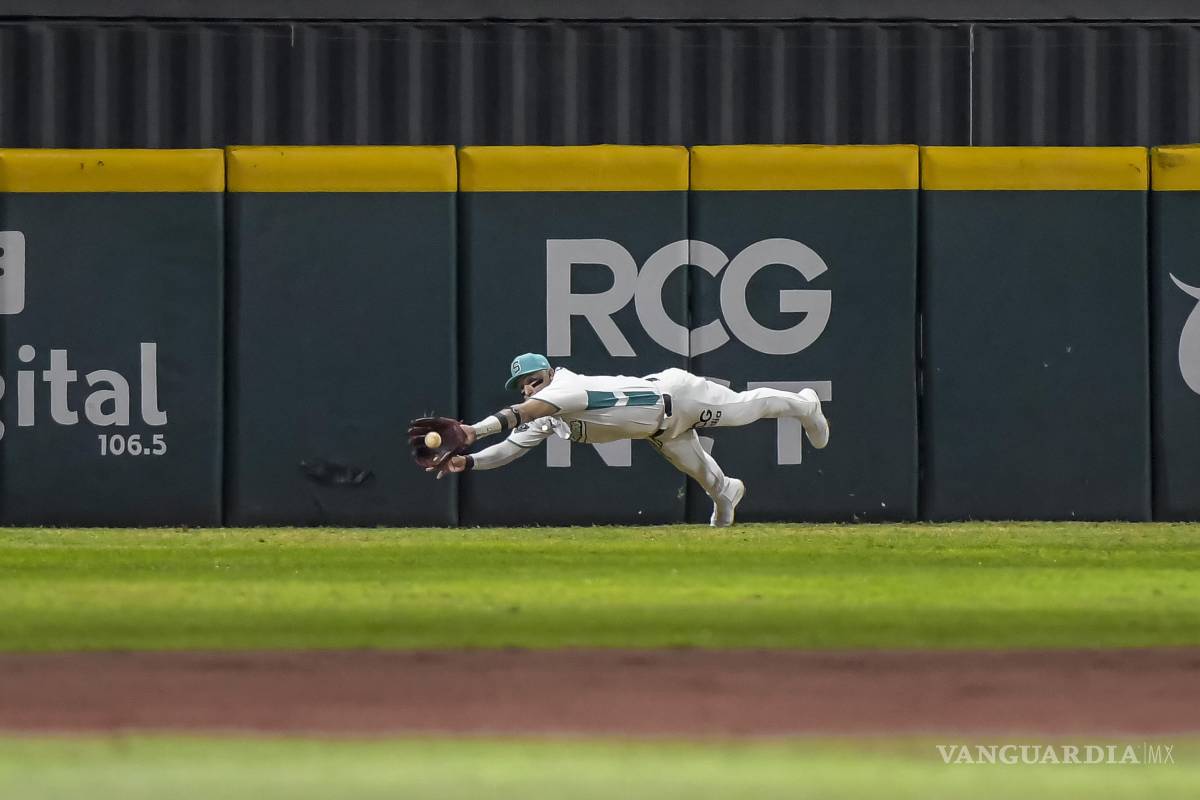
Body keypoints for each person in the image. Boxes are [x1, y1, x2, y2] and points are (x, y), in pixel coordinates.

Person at [433, 353, 829, 527]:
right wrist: (468, 461)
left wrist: (474, 431)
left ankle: (805, 404)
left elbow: (524, 413)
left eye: (533, 380)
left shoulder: (567, 389)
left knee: (745, 409)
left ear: (550, 374)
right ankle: (728, 496)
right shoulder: (547, 412)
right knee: (707, 479)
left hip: (679, 397)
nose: (528, 388)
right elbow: (510, 448)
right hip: (658, 430)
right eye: (522, 385)